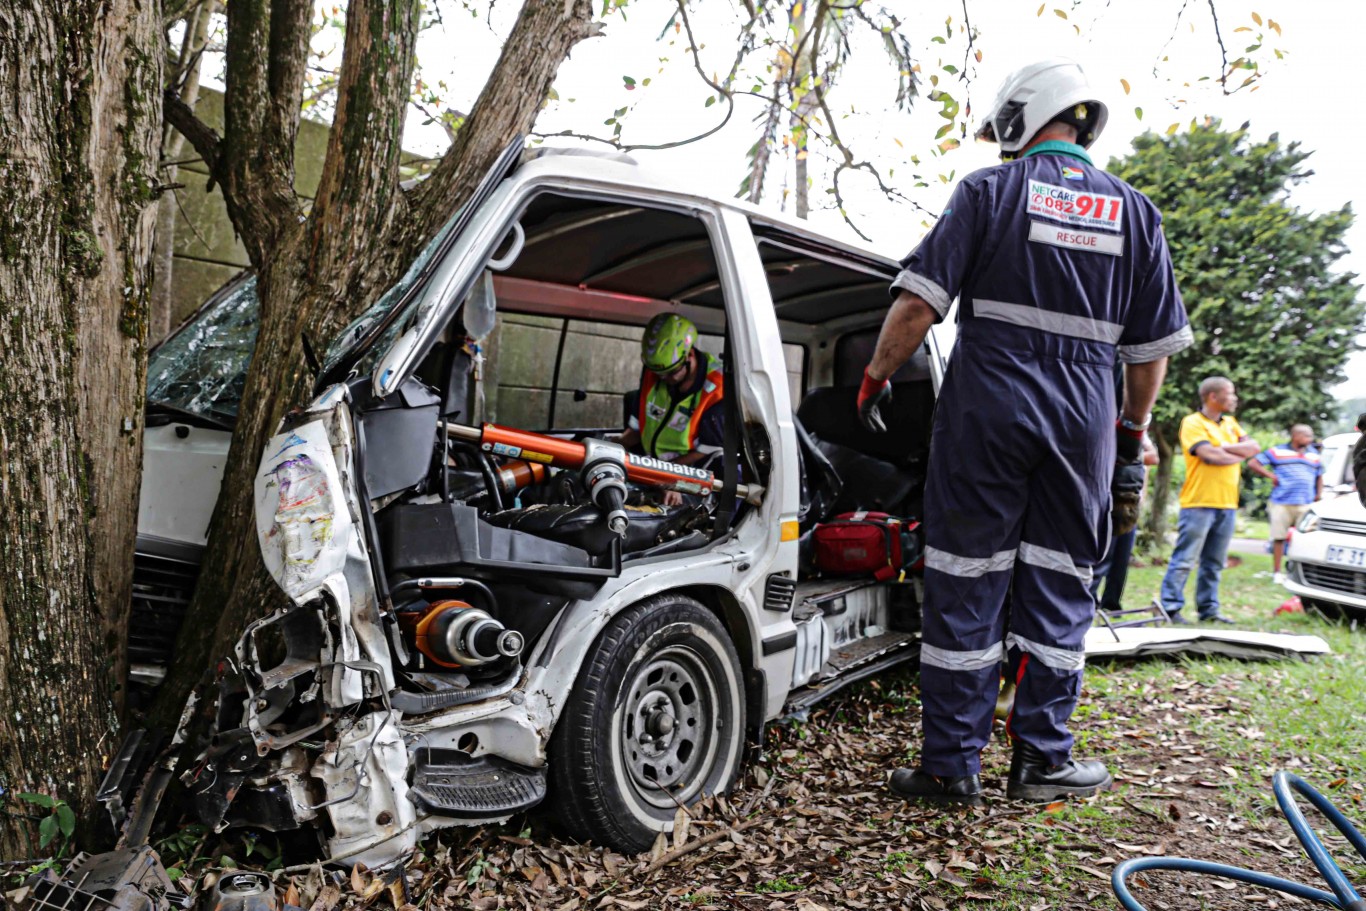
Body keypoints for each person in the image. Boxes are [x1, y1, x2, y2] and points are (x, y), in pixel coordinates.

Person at [856, 57, 1191, 806]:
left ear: (1021, 114)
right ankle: (1040, 761)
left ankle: (950, 766)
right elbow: (1150, 353)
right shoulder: (1136, 213)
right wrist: (1129, 432)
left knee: (966, 579)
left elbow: (918, 305)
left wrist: (878, 373)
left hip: (988, 410)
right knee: (1059, 585)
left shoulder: (988, 191)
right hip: (1083, 420)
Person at [1156, 377, 1260, 624]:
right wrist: (1233, 451)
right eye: (1230, 393)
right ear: (1213, 397)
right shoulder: (1192, 423)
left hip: (1227, 504)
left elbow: (1253, 448)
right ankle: (1170, 609)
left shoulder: (1231, 424)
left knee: (1214, 563)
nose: (1235, 398)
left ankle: (1209, 610)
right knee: (1184, 560)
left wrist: (1224, 448)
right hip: (1198, 503)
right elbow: (1209, 455)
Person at [619, 312, 725, 467]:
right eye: (658, 374)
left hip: (691, 477)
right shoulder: (654, 372)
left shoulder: (717, 389)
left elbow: (708, 451)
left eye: (671, 373)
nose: (663, 379)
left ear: (689, 355)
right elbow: (636, 429)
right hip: (652, 469)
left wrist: (666, 474)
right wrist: (616, 446)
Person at [1248, 424, 1323, 583]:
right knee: (1279, 538)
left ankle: (1299, 574)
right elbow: (1253, 463)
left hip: (1305, 502)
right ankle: (1277, 573)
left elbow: (1319, 475)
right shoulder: (1277, 452)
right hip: (1281, 502)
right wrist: (1271, 476)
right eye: (1306, 436)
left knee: (1304, 539)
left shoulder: (1314, 455)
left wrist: (1318, 495)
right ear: (1295, 436)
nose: (1310, 439)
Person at [1093, 433, 1159, 612]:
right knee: (1102, 557)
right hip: (1108, 501)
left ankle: (1112, 605)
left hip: (1131, 502)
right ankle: (1089, 601)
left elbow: (1153, 457)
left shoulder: (1139, 431)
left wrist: (1129, 457)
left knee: (1121, 560)